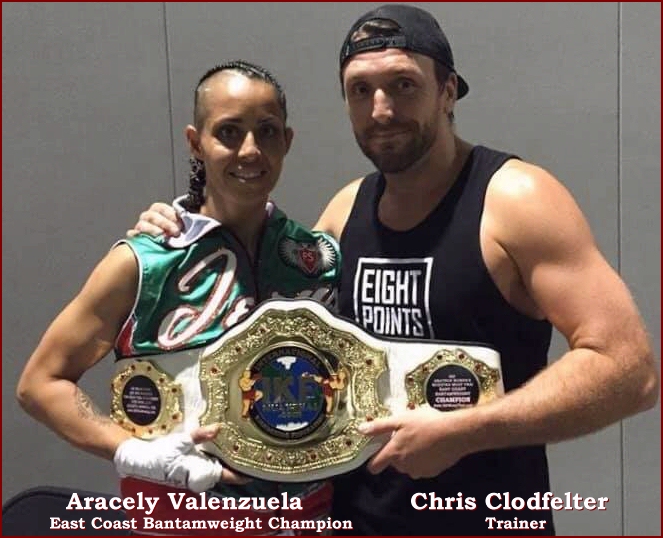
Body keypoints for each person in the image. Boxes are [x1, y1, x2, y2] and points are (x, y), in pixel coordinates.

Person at [128, 4, 659, 536]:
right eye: (361, 90)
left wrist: (467, 430)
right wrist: (181, 232)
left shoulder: (516, 199)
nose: (381, 109)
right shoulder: (344, 212)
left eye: (403, 85)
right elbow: (259, 322)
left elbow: (630, 371)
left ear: (447, 91)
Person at [17, 60, 341, 535]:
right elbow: (40, 384)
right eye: (229, 132)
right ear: (196, 142)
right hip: (184, 521)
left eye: (267, 131)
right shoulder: (145, 261)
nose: (250, 150)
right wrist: (132, 452)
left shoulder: (315, 258)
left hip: (306, 518)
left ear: (287, 141)